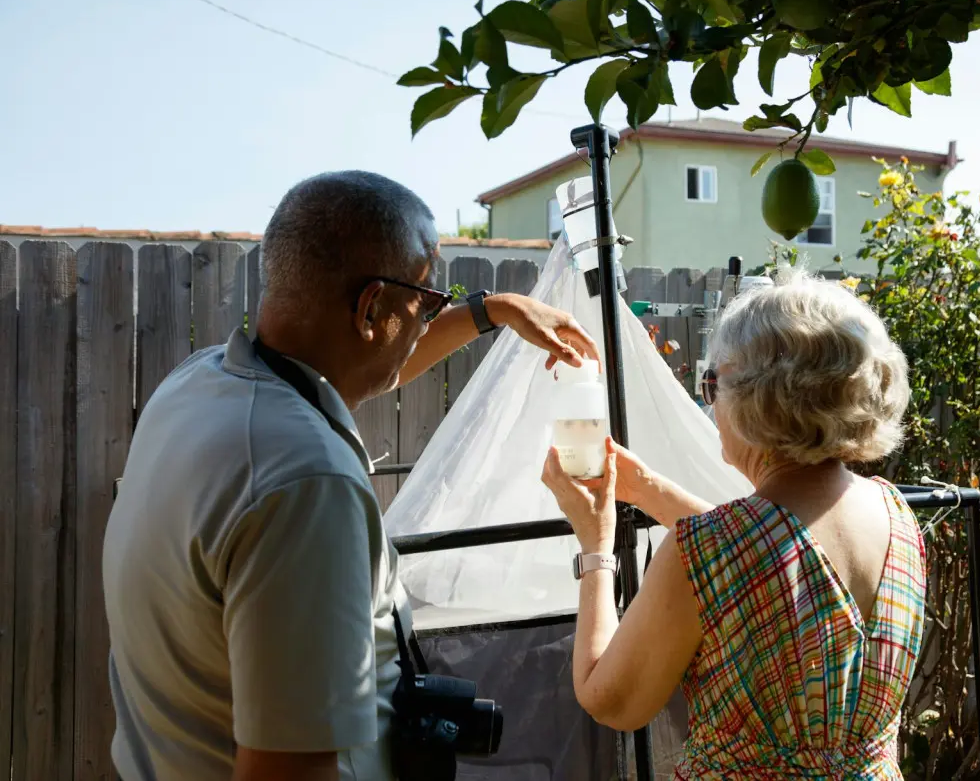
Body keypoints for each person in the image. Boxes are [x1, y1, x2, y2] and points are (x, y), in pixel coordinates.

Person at [102, 170, 599, 781]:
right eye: (426, 300)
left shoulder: (201, 385)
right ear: (370, 308)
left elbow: (376, 357)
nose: (426, 318)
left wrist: (493, 310)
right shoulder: (306, 481)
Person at [542, 268, 927, 780]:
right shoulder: (896, 516)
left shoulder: (705, 549)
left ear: (756, 396)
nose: (709, 401)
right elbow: (782, 564)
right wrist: (649, 490)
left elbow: (610, 701)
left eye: (711, 382)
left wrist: (595, 542)